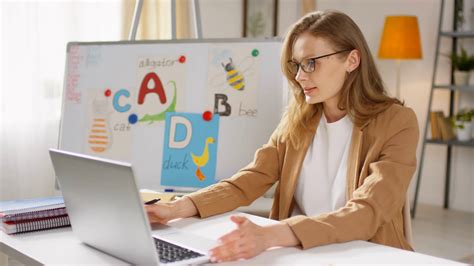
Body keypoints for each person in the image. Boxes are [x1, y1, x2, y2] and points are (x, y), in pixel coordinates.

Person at [146, 10, 419, 263]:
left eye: (311, 63)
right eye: (297, 65)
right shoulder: (300, 119)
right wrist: (176, 209)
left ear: (351, 60)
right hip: (297, 254)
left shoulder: (396, 122)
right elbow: (249, 180)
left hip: (363, 256)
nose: (300, 76)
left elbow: (366, 213)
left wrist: (271, 235)